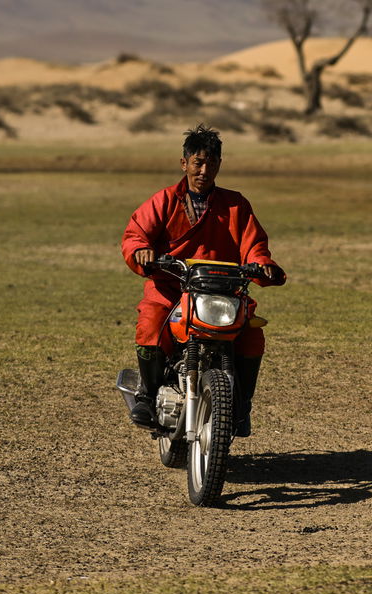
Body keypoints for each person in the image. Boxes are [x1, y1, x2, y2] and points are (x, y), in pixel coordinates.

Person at [120, 124, 285, 436]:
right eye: (198, 163)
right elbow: (135, 234)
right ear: (184, 164)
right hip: (171, 288)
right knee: (151, 325)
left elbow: (254, 246)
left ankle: (241, 405)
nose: (204, 170)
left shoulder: (237, 205)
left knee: (251, 337)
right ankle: (148, 393)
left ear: (220, 165)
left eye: (211, 163)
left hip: (224, 291)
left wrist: (262, 265)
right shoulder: (164, 201)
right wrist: (141, 251)